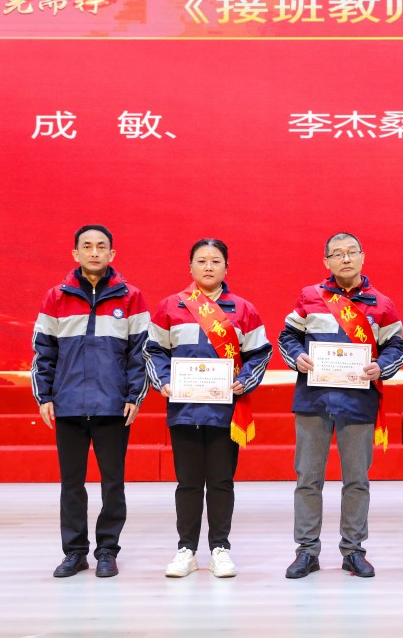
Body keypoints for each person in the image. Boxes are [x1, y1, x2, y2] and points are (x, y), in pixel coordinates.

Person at [278, 232, 403, 579]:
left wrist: (382, 366)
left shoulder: (381, 304)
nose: (345, 259)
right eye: (337, 254)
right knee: (308, 479)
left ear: (363, 257)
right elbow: (287, 336)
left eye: (351, 252)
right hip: (313, 400)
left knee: (356, 481)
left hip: (358, 401)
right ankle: (307, 551)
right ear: (326, 262)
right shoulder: (310, 296)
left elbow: (396, 346)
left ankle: (353, 550)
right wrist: (297, 357)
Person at [145, 239, 272, 579]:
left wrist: (245, 380)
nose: (208, 266)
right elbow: (154, 350)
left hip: (224, 412)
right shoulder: (171, 307)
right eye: (201, 260)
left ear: (226, 268)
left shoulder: (243, 310)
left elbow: (259, 353)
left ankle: (220, 549)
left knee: (220, 482)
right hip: (184, 409)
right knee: (187, 483)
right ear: (190, 267)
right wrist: (163, 381)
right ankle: (186, 550)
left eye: (216, 261)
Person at [32, 224, 150, 578]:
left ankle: (107, 550)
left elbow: (140, 352)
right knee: (71, 483)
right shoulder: (56, 297)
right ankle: (74, 552)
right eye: (87, 246)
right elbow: (43, 350)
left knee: (113, 482)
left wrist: (134, 395)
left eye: (101, 246)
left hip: (113, 406)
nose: (94, 252)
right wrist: (44, 396)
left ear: (112, 254)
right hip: (68, 404)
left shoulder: (130, 297)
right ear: (76, 253)